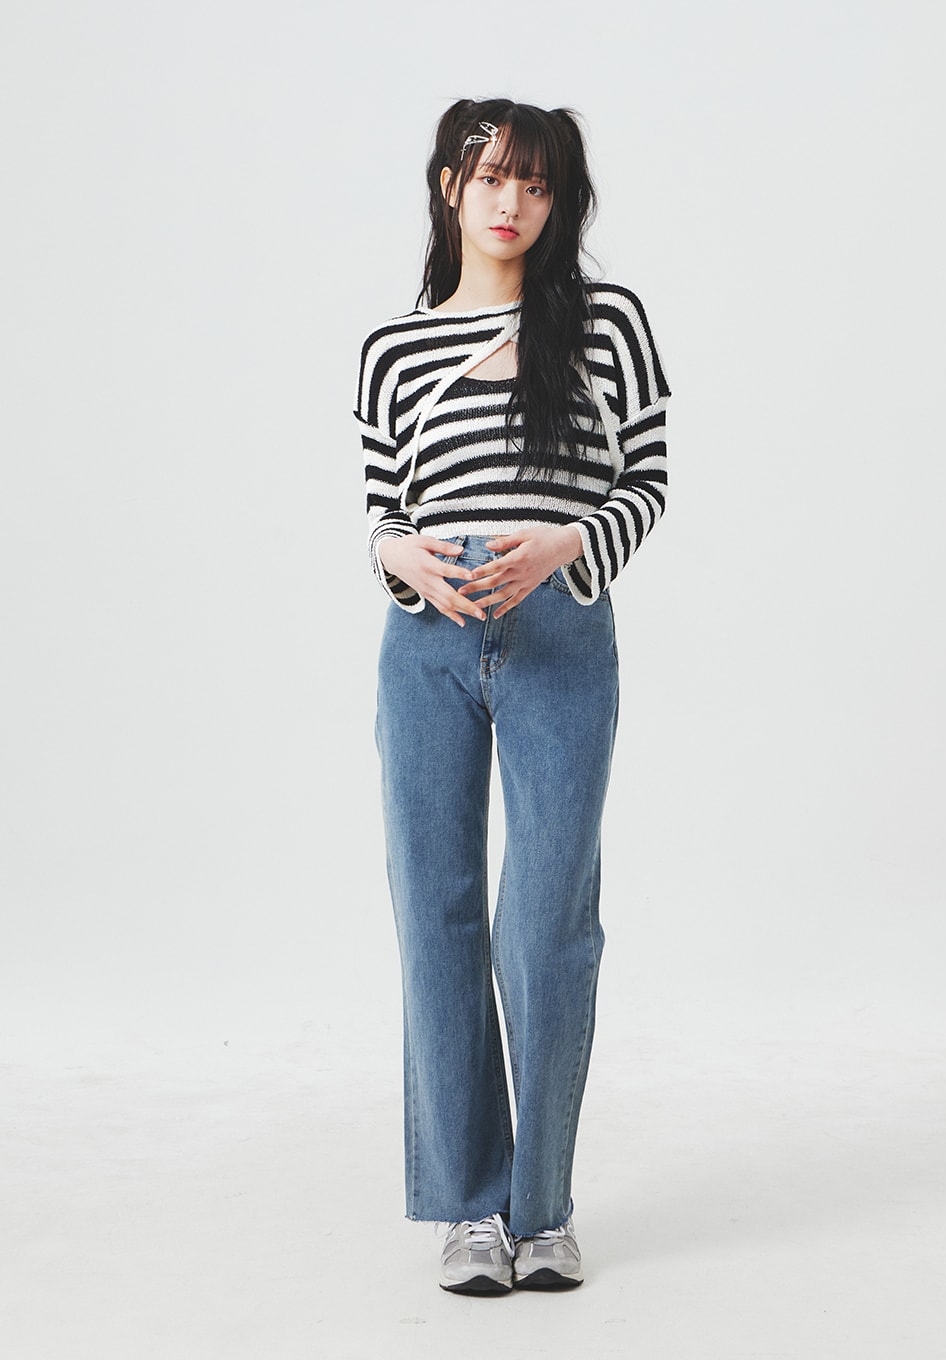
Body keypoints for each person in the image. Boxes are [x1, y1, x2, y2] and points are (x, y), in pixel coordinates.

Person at [354, 97, 670, 1295]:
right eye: (489, 176)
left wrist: (566, 544)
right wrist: (397, 555)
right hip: (425, 639)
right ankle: (471, 1207)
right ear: (448, 185)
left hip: (558, 630)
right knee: (434, 909)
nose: (510, 202)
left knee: (545, 920)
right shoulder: (393, 348)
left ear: (558, 200)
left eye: (535, 184)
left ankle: (541, 1209)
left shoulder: (604, 324)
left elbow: (645, 478)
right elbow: (384, 509)